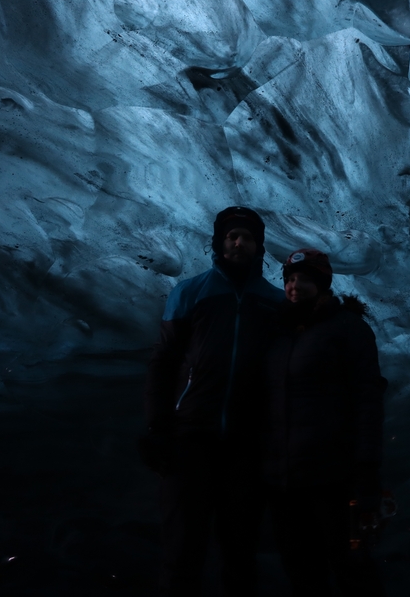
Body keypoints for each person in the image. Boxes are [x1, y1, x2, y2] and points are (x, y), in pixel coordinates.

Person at [140, 206, 283, 597]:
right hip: (191, 438)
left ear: (259, 247)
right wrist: (157, 426)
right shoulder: (190, 292)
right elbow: (163, 363)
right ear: (219, 244)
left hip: (246, 444)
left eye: (247, 237)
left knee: (240, 553)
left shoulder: (274, 303)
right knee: (183, 549)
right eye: (232, 236)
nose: (239, 243)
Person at [263, 248, 388, 597]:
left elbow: (368, 399)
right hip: (284, 479)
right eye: (289, 278)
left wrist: (366, 467)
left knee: (351, 568)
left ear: (322, 283)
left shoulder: (348, 329)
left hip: (333, 476)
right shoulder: (279, 333)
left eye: (303, 278)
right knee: (302, 572)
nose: (294, 285)